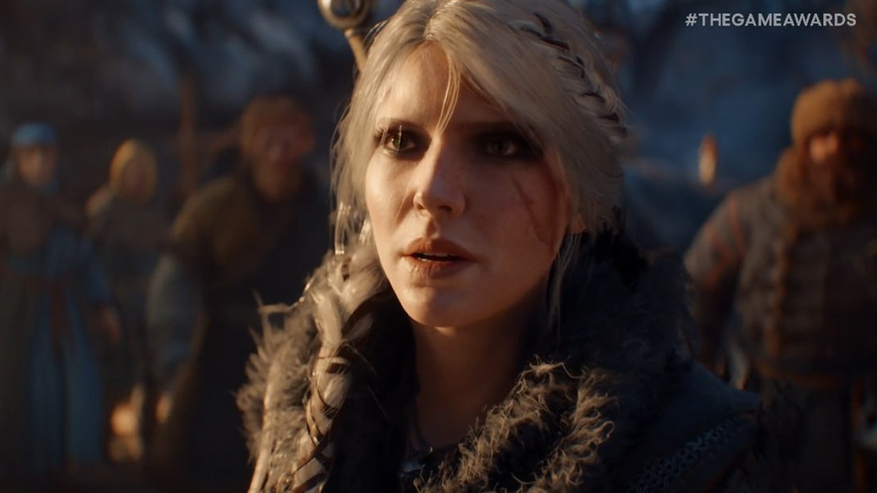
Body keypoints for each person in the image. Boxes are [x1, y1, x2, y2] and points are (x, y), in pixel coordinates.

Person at [238, 1, 791, 492]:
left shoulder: (691, 457)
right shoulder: (302, 410)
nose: (433, 191)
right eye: (402, 141)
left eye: (500, 145)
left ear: (579, 198)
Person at [686, 78, 877, 492]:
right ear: (805, 145)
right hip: (760, 393)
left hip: (845, 411)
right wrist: (702, 380)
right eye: (824, 136)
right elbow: (696, 289)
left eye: (850, 139)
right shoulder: (754, 210)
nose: (836, 149)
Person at [145, 96, 330, 492]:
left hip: (305, 358)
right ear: (249, 146)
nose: (278, 153)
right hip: (222, 363)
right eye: (268, 141)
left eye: (288, 141)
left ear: (305, 143)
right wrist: (174, 357)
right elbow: (174, 284)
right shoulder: (214, 208)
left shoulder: (327, 210)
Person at [0, 122, 120, 483]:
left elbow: (84, 260)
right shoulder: (6, 202)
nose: (39, 162)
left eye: (46, 154)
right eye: (30, 155)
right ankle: (25, 467)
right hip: (16, 309)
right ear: (17, 160)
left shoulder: (68, 202)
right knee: (23, 388)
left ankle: (76, 461)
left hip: (65, 306)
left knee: (78, 382)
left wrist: (103, 304)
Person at [86, 139, 167, 461]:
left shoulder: (154, 211)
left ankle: (148, 442)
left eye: (140, 172)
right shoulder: (103, 209)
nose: (135, 178)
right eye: (129, 171)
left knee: (149, 376)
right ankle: (102, 443)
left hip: (148, 304)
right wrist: (102, 302)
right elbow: (88, 259)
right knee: (111, 378)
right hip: (114, 304)